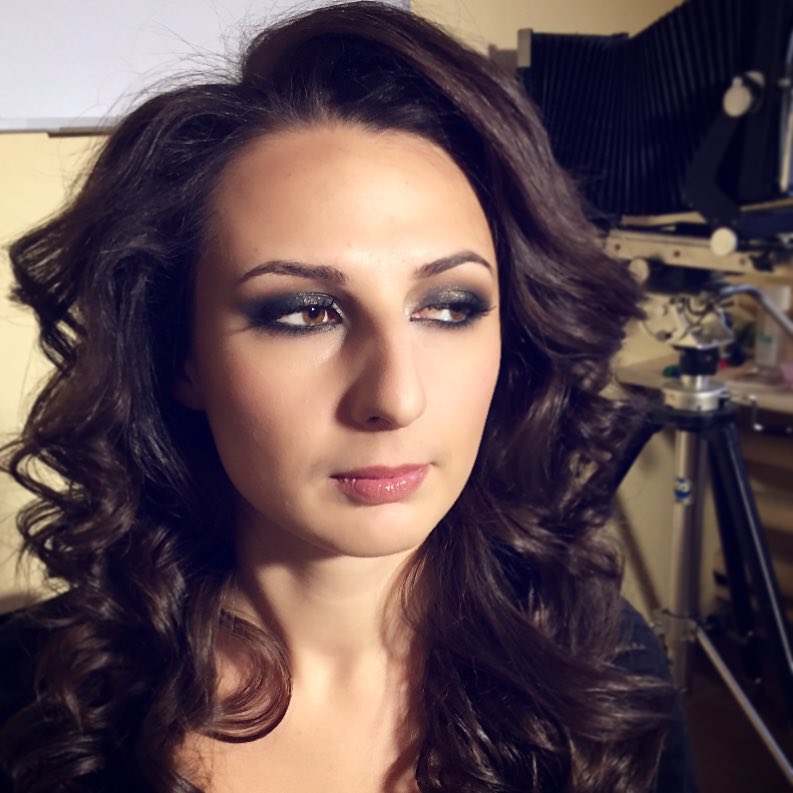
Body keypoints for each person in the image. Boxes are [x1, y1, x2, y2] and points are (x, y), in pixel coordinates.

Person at [0, 3, 697, 791]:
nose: (395, 397)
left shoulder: (598, 664)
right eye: (305, 312)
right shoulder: (29, 705)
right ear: (179, 355)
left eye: (449, 306)